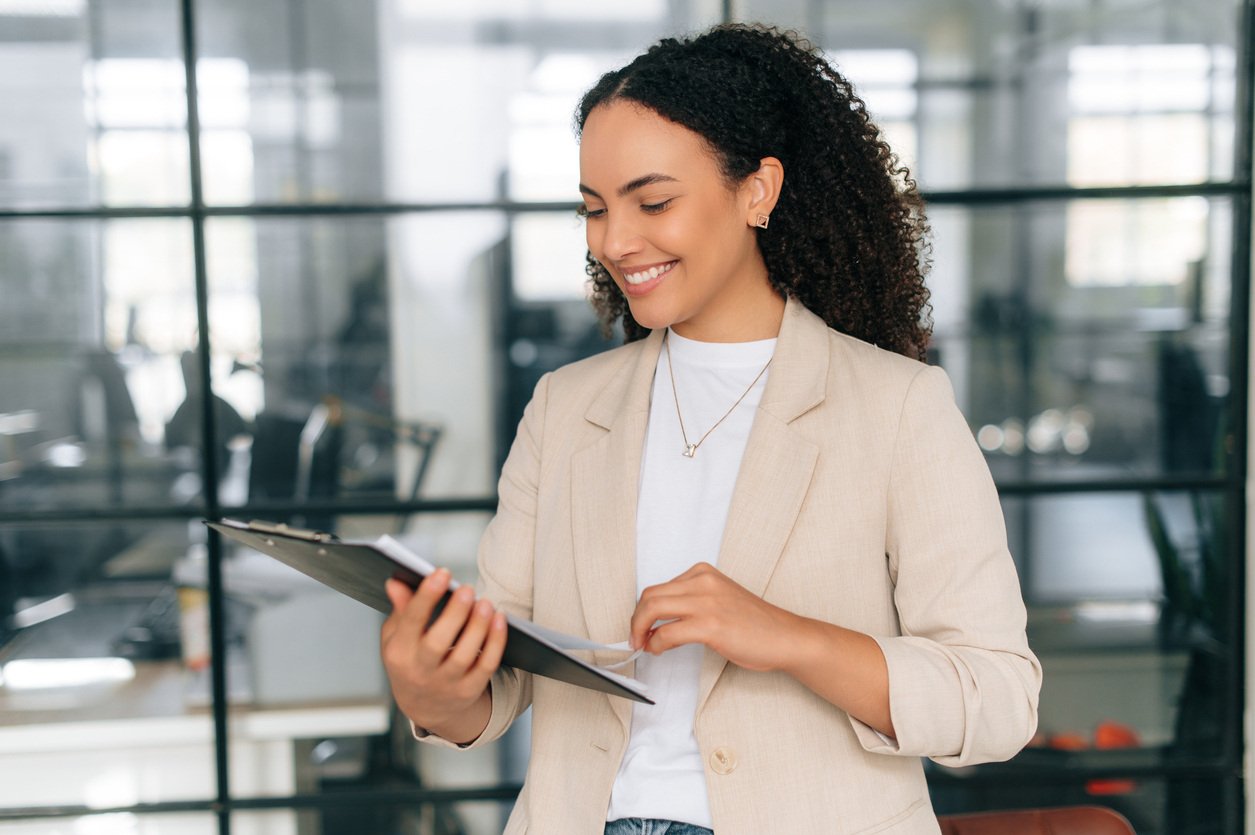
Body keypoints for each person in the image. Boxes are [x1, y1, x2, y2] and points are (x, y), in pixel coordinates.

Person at [381, 22, 1041, 835]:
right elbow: (507, 675)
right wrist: (434, 686)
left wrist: (787, 637)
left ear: (757, 191)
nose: (615, 242)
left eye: (652, 201)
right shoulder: (565, 407)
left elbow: (998, 699)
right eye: (594, 209)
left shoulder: (898, 407)